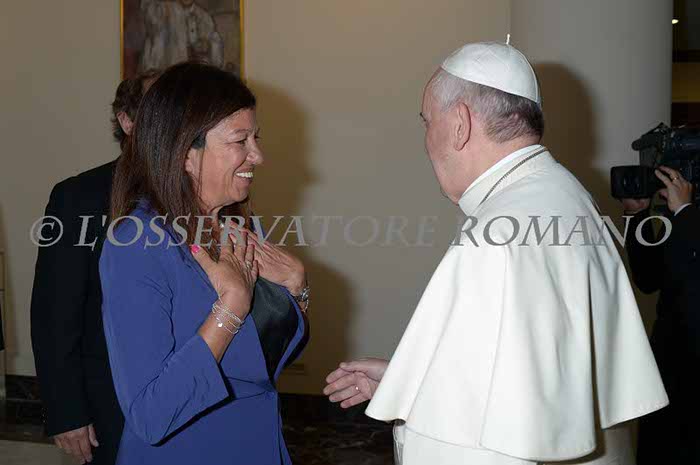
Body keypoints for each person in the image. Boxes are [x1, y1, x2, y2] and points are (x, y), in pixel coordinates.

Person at [324, 41, 669, 465]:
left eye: (427, 122)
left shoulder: (497, 238)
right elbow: (521, 374)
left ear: (459, 124)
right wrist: (408, 379)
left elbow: (482, 444)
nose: (426, 139)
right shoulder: (566, 194)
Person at [100, 62, 309, 465]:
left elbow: (264, 359)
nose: (258, 155)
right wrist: (230, 308)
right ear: (185, 153)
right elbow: (150, 414)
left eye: (256, 138)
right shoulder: (136, 244)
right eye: (240, 140)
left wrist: (297, 287)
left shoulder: (239, 226)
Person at [30, 70, 158, 465]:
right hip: (109, 401)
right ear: (127, 121)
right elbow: (55, 312)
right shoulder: (78, 196)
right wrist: (66, 410)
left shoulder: (206, 193)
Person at [621, 167, 700, 464]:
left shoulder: (686, 214)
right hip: (670, 362)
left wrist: (685, 212)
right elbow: (649, 277)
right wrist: (637, 215)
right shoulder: (683, 212)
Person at [140, 0, 224, 72]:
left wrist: (208, 48)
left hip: (193, 75)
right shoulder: (160, 10)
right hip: (166, 74)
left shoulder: (204, 17)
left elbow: (215, 52)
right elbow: (152, 23)